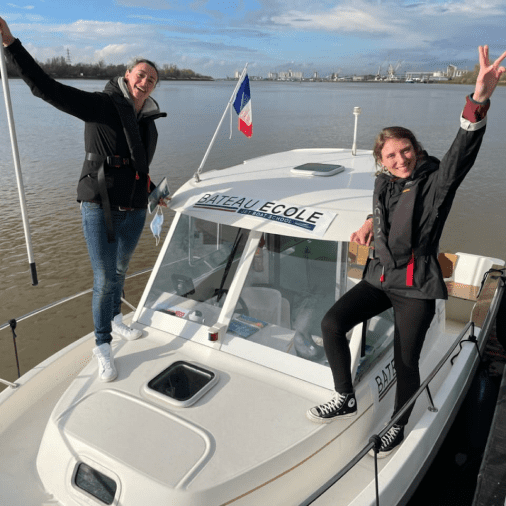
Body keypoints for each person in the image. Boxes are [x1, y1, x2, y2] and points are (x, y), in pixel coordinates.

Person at [307, 44, 506, 458]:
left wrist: (479, 100)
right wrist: (367, 220)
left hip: (414, 287)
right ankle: (345, 396)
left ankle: (399, 424)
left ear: (416, 149)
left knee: (405, 362)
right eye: (391, 156)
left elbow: (459, 158)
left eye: (406, 151)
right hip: (380, 277)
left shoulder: (435, 183)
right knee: (331, 324)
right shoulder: (385, 184)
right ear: (382, 162)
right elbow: (386, 209)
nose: (400, 160)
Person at [1, 17, 167, 382]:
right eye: (140, 75)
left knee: (120, 271)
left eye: (151, 79)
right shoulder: (102, 105)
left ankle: (116, 319)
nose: (144, 82)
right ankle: (103, 345)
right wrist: (12, 44)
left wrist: (154, 193)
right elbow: (46, 88)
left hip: (136, 209)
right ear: (127, 75)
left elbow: (140, 165)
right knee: (105, 276)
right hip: (99, 205)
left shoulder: (148, 120)